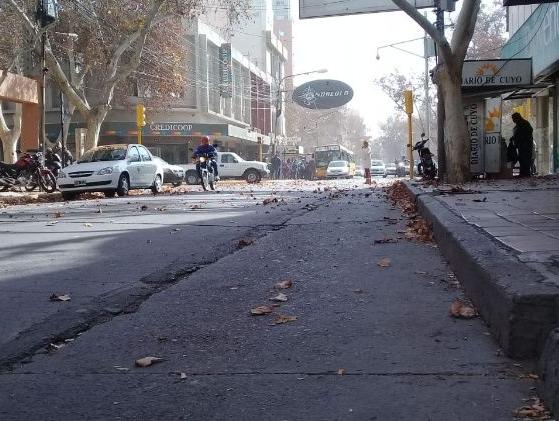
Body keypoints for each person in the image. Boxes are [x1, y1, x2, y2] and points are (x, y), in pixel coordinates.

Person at [510, 112, 533, 177]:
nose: (513, 120)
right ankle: (523, 173)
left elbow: (529, 132)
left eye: (513, 118)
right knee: (521, 159)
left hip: (526, 146)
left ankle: (526, 173)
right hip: (521, 146)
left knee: (525, 159)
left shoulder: (524, 123)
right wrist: (513, 138)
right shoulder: (519, 124)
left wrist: (520, 138)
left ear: (517, 117)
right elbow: (517, 134)